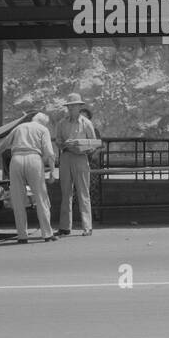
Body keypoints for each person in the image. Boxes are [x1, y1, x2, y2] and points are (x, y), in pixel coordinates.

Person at [0, 111, 57, 243]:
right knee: (41, 197)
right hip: (34, 159)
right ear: (43, 122)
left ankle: (22, 236)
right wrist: (52, 171)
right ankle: (47, 234)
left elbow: (3, 144)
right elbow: (50, 152)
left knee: (18, 198)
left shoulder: (19, 127)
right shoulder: (43, 129)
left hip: (16, 159)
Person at [54, 93, 99, 236]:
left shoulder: (86, 123)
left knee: (83, 192)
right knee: (66, 192)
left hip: (81, 158)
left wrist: (82, 146)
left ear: (80, 107)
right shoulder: (61, 123)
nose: (71, 108)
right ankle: (65, 227)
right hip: (66, 157)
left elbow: (94, 143)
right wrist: (64, 144)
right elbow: (58, 141)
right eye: (69, 106)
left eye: (74, 106)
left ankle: (87, 226)